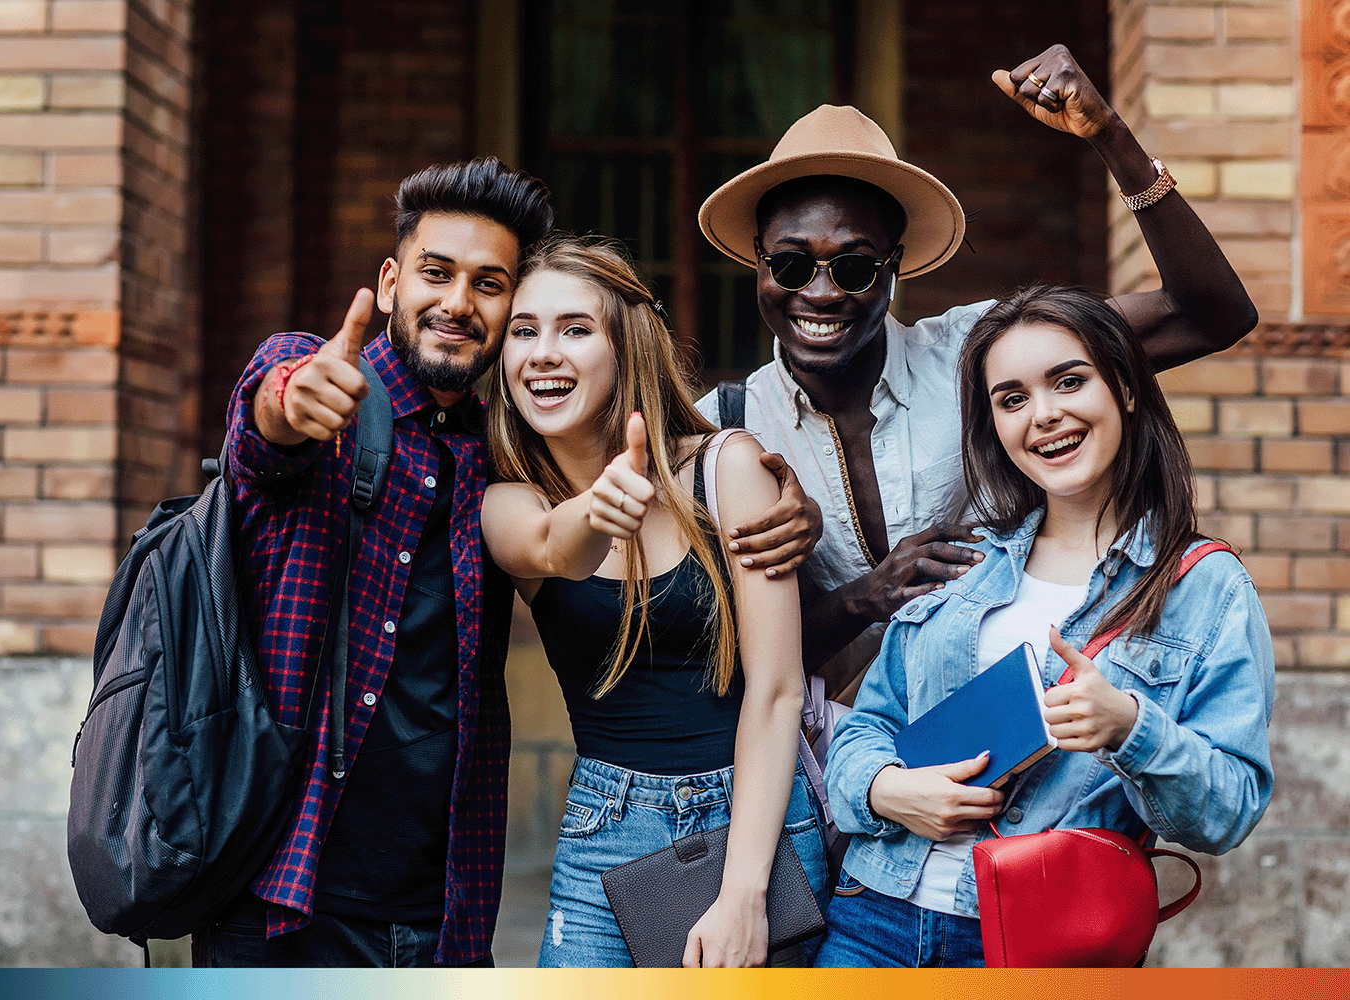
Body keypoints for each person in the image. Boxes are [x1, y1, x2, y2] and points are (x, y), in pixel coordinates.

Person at [694, 45, 1259, 701]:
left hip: (1015, 753)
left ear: (894, 266)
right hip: (825, 779)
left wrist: (1110, 137)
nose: (820, 294)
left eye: (853, 268)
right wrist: (861, 600)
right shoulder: (722, 431)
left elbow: (1211, 315)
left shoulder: (982, 352)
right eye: (790, 266)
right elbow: (715, 665)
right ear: (757, 263)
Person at [815, 285, 1275, 967]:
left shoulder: (1204, 587)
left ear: (1123, 385)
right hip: (871, 920)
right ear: (994, 424)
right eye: (1013, 398)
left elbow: (1229, 810)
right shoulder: (963, 564)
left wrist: (1130, 726)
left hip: (1037, 945)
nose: (1045, 415)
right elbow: (865, 726)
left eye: (1068, 380)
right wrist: (886, 789)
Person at [191, 158, 554, 967]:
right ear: (391, 283)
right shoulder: (326, 383)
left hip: (444, 916)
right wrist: (289, 402)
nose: (458, 302)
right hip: (284, 900)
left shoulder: (501, 451)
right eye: (436, 273)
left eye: (489, 284)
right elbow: (264, 428)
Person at [480, 236, 829, 967]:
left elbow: (775, 691)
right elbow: (548, 546)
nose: (543, 352)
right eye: (523, 331)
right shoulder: (510, 499)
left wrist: (742, 894)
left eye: (575, 329)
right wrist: (598, 507)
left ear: (626, 347)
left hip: (758, 816)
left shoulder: (727, 470)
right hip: (604, 827)